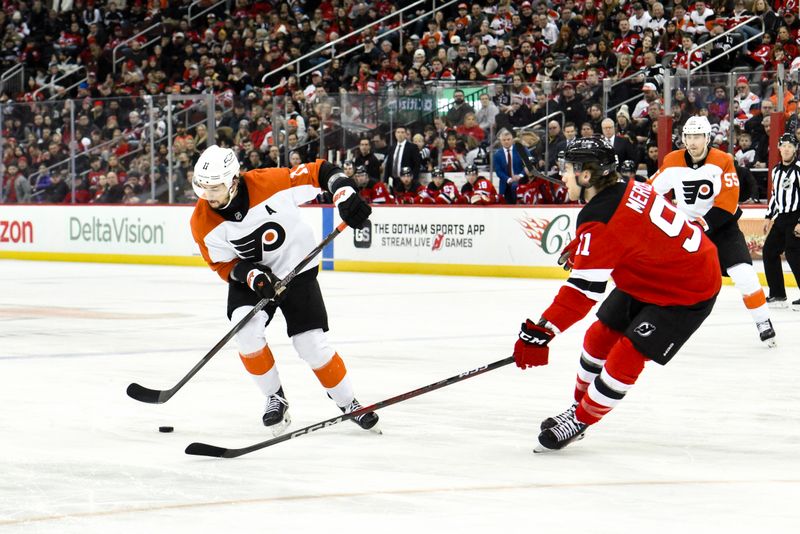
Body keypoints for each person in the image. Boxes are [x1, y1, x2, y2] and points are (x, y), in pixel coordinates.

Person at [512, 136, 721, 452]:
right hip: (653, 274)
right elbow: (630, 231)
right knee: (598, 337)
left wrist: (541, 332)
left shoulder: (599, 218)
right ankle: (576, 406)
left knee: (626, 354)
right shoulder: (626, 186)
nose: (563, 176)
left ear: (586, 175)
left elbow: (581, 293)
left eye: (568, 170)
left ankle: (581, 419)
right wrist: (589, 248)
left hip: (687, 289)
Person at [189, 145, 379, 436]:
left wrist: (344, 193)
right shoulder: (202, 221)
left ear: (234, 181)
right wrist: (251, 275)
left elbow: (320, 172)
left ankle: (348, 402)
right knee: (246, 332)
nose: (208, 196)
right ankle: (274, 397)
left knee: (311, 345)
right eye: (203, 188)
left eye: (215, 188)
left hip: (297, 270)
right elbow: (223, 264)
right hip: (254, 278)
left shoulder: (272, 182)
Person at [650, 116, 777, 347]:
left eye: (697, 136)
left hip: (722, 228)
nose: (692, 141)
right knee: (670, 279)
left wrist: (701, 225)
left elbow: (728, 204)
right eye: (688, 136)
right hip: (688, 232)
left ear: (708, 138)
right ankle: (665, 327)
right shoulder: (672, 161)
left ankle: (763, 321)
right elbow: (651, 191)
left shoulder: (722, 161)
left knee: (744, 274)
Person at [762, 133, 800, 311]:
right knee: (769, 251)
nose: (786, 149)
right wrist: (769, 217)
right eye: (783, 145)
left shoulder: (799, 169)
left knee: (794, 254)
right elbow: (775, 196)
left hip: (796, 216)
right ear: (778, 147)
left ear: (795, 149)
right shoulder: (776, 171)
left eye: (790, 146)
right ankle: (777, 294)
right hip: (781, 218)